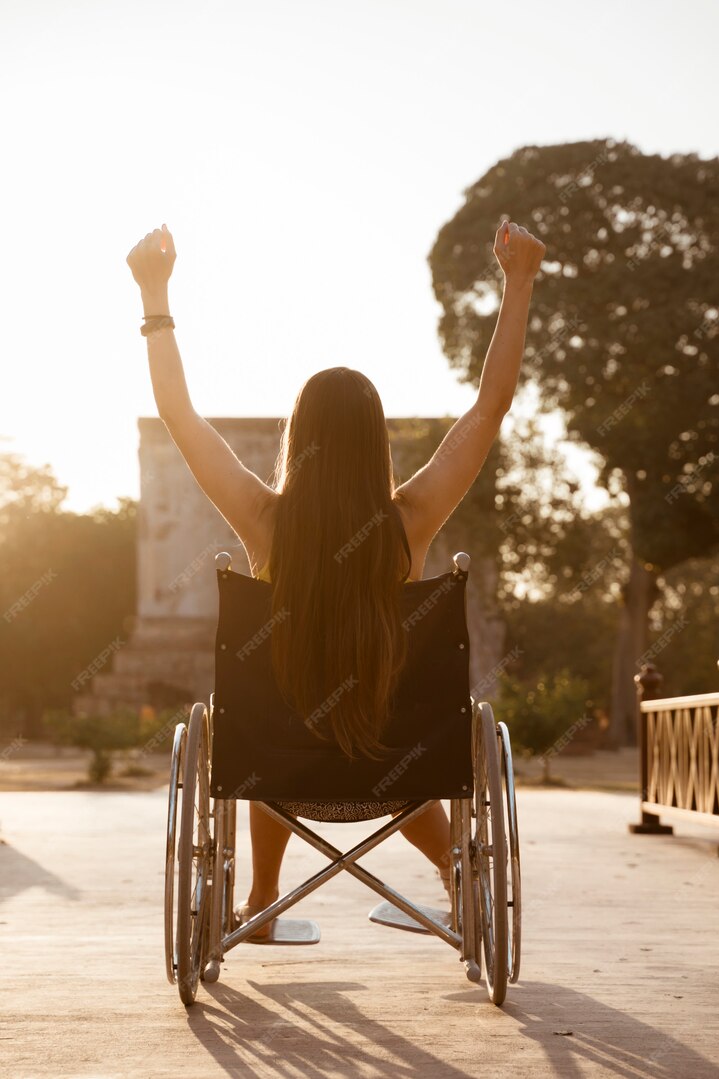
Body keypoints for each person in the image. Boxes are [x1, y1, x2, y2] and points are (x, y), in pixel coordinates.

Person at [126, 219, 545, 938]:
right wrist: (521, 283)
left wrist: (155, 293)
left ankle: (261, 900)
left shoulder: (262, 520)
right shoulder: (412, 520)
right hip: (397, 773)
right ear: (375, 441)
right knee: (393, 726)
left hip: (278, 769)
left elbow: (179, 416)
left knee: (263, 713)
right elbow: (489, 407)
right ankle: (453, 878)